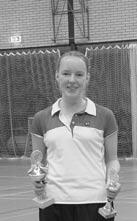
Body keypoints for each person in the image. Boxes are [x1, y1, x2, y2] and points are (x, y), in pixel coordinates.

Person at [30, 50, 121, 221]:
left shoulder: (106, 116)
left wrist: (112, 180)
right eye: (66, 73)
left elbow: (112, 159)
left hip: (97, 201)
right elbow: (37, 162)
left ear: (87, 78)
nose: (72, 80)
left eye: (79, 74)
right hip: (53, 203)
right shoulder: (41, 118)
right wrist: (37, 181)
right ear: (57, 76)